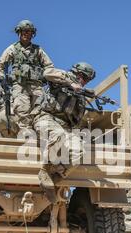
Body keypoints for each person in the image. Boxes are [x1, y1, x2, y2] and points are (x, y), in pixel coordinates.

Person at [33, 62, 96, 203]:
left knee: (80, 152)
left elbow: (76, 120)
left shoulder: (80, 95)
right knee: (58, 136)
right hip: (46, 118)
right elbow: (47, 73)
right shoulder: (62, 78)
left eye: (88, 80)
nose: (85, 82)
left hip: (65, 127)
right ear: (78, 74)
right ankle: (45, 171)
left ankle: (54, 178)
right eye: (84, 78)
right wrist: (70, 83)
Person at [0, 20, 54, 132]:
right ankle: (26, 136)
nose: (27, 34)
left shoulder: (38, 50)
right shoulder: (12, 49)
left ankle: (40, 135)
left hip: (37, 87)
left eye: (29, 32)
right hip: (20, 86)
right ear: (19, 32)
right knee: (22, 111)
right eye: (24, 31)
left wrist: (49, 77)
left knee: (41, 112)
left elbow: (49, 66)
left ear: (32, 34)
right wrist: (2, 77)